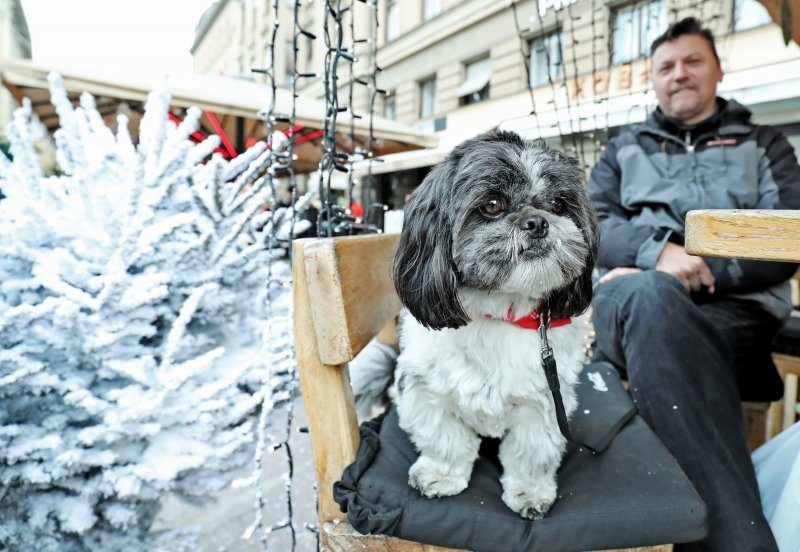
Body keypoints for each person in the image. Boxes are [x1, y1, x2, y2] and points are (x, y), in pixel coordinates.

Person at [587, 17, 800, 551]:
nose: (679, 74)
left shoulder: (765, 144)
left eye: (692, 61)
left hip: (735, 311)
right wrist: (654, 253)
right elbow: (588, 223)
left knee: (656, 321)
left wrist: (696, 270)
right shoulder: (622, 149)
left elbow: (786, 233)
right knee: (647, 299)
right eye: (666, 66)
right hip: (629, 296)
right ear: (653, 80)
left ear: (718, 70)